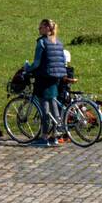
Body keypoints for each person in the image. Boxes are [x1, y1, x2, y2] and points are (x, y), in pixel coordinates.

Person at [24, 18, 68, 146]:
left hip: (44, 77)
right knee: (53, 104)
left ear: (47, 28)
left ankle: (44, 137)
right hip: (56, 77)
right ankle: (54, 136)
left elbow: (37, 63)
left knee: (45, 109)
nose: (39, 29)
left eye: (41, 27)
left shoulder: (42, 42)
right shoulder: (58, 42)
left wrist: (28, 68)